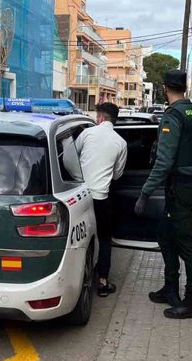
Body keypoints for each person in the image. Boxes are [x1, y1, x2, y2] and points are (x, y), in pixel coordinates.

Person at [134, 70, 192, 319]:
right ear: (185, 86)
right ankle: (170, 288)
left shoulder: (173, 116)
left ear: (164, 88)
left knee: (186, 242)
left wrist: (145, 193)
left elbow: (164, 161)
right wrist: (191, 152)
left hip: (181, 185)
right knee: (164, 234)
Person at [73, 102, 127, 297]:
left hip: (79, 197)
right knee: (104, 239)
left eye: (97, 116)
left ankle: (77, 282)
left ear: (101, 118)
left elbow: (70, 158)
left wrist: (77, 176)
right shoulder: (121, 142)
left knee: (81, 240)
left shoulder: (87, 134)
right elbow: (117, 175)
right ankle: (103, 282)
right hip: (101, 198)